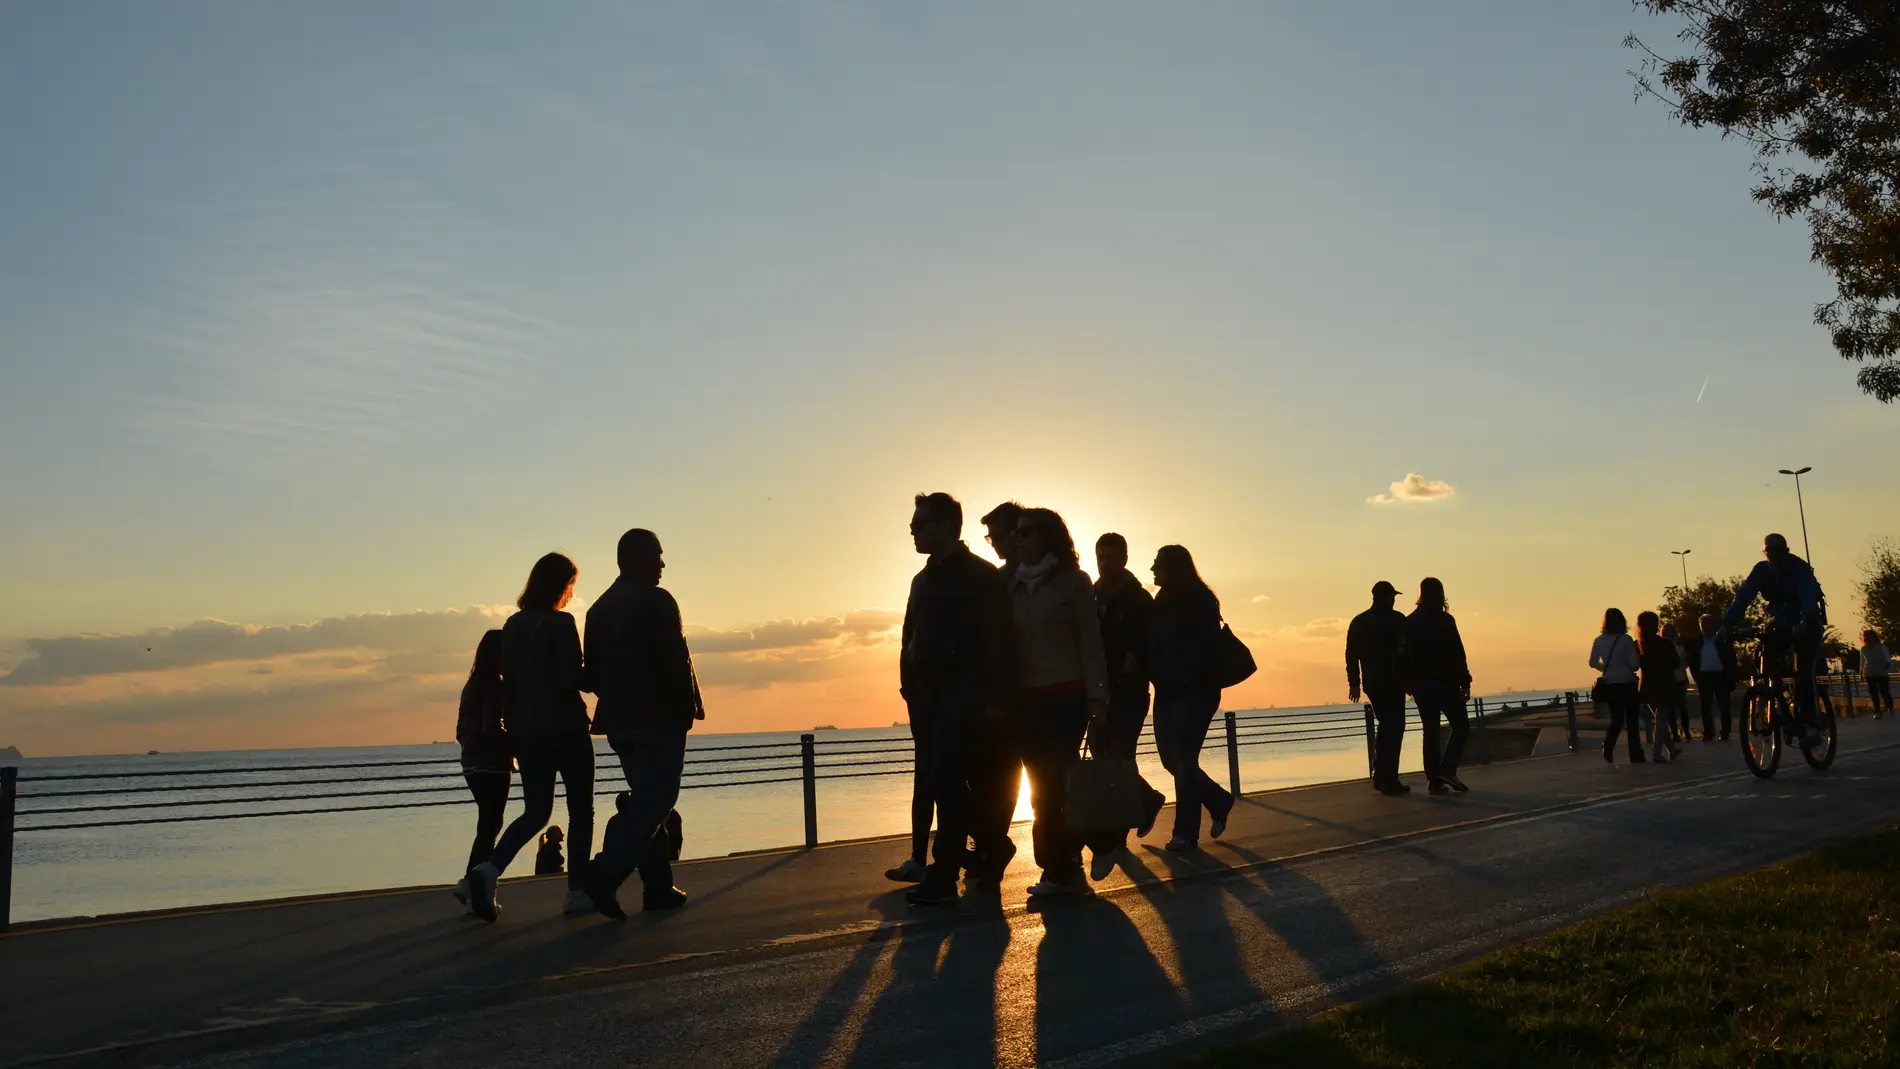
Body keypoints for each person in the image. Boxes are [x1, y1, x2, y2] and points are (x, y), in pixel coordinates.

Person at [577, 528, 703, 921]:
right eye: (656, 556)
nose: (663, 564)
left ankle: (658, 886)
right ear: (633, 558)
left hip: (619, 721)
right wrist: (687, 710)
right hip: (659, 717)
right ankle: (606, 872)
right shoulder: (658, 601)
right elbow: (676, 663)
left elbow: (592, 677)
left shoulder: (597, 609)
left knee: (648, 798)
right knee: (658, 799)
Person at [900, 493, 1016, 906]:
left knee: (946, 778)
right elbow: (908, 637)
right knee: (940, 781)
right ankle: (963, 863)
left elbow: (997, 641)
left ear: (948, 525)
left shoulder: (981, 577)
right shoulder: (922, 580)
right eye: (913, 524)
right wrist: (907, 687)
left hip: (965, 693)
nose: (913, 531)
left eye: (921, 523)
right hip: (927, 697)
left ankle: (951, 868)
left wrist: (996, 698)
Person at [467, 553, 596, 923]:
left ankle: (489, 869)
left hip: (528, 732)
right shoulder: (562, 623)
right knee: (580, 811)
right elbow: (574, 676)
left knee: (536, 811)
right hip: (566, 727)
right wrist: (603, 676)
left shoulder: (512, 626)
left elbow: (510, 688)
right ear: (562, 585)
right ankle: (575, 891)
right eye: (571, 584)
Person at [1004, 508, 1110, 897]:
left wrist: (1097, 697)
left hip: (1066, 695)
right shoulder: (1011, 585)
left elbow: (1090, 642)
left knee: (1056, 782)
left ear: (1049, 537)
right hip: (1026, 699)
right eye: (1016, 533)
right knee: (1041, 784)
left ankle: (1058, 870)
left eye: (1027, 532)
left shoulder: (1074, 582)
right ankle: (1072, 860)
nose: (1019, 539)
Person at [1087, 532, 1167, 870]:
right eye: (1101, 556)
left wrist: (1135, 657)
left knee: (1119, 757)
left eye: (1111, 556)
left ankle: (1117, 835)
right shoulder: (1092, 594)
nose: (1105, 563)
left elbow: (1151, 643)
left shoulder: (1138, 599)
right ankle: (1147, 799)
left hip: (1130, 692)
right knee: (1103, 755)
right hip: (1101, 691)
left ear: (1124, 558)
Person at [1147, 544, 1233, 850]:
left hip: (1196, 691)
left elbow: (1202, 647)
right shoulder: (1162, 599)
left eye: (1158, 564)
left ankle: (1184, 833)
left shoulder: (1198, 600)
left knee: (1183, 760)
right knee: (1172, 760)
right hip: (1168, 690)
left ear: (1173, 567)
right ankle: (1218, 799)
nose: (1153, 569)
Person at [968, 500, 1028, 879]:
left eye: (996, 535)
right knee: (986, 776)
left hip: (1027, 692)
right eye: (987, 536)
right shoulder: (996, 577)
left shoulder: (1037, 578)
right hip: (993, 692)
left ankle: (995, 847)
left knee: (1010, 775)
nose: (992, 543)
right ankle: (991, 844)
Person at [1722, 533, 1827, 745]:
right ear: (1765, 553)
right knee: (1764, 655)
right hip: (1781, 623)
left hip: (1807, 624)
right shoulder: (1761, 570)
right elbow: (1744, 595)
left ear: (1786, 551)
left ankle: (1813, 725)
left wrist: (1806, 619)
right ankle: (1772, 694)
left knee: (1804, 674)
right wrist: (1727, 624)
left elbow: (1807, 593)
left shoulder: (1799, 568)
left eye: (1778, 551)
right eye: (1770, 552)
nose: (1774, 556)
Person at [451, 630, 511, 914]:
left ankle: (471, 887)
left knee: (486, 826)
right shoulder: (496, 686)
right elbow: (492, 728)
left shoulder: (470, 687)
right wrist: (516, 744)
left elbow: (460, 730)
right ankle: (476, 886)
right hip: (492, 765)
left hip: (471, 764)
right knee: (491, 827)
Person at [1401, 578, 1473, 794]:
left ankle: (1434, 781)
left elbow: (1403, 655)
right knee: (1461, 726)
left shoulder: (1409, 622)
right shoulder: (1446, 621)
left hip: (1422, 685)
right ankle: (1448, 769)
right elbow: (1457, 653)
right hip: (1446, 682)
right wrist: (1465, 681)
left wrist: (1408, 682)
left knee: (1430, 731)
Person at [1346, 581, 1409, 796]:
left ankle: (1381, 773)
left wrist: (1354, 683)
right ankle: (1388, 777)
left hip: (1372, 683)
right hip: (1393, 681)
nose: (1393, 600)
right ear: (1386, 597)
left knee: (1386, 725)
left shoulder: (1359, 622)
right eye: (1392, 596)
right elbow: (1406, 652)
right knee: (1395, 727)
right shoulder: (1398, 620)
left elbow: (1351, 654)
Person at [1591, 608, 1645, 764]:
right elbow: (1635, 664)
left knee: (1617, 719)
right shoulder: (1625, 640)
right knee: (1632, 720)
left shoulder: (1599, 640)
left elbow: (1592, 662)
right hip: (1627, 683)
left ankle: (1608, 746)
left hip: (1610, 684)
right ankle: (1636, 754)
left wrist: (1607, 669)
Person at [1638, 612, 1685, 763]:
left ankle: (1671, 749)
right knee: (1662, 719)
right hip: (1665, 685)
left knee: (1660, 720)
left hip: (1647, 686)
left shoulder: (1639, 645)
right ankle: (1656, 752)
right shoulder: (1664, 644)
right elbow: (1676, 663)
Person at [1690, 614, 1738, 740]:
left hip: (1720, 676)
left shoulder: (1722, 642)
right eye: (1703, 624)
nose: (1706, 627)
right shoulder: (1696, 643)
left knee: (1724, 705)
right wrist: (1697, 676)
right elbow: (1692, 661)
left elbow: (1731, 659)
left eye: (1709, 623)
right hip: (1704, 676)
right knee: (1705, 706)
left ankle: (1725, 731)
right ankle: (1708, 731)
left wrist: (1732, 676)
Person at [1864, 629, 1894, 717]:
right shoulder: (1864, 649)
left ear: (1874, 637)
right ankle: (1877, 712)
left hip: (1881, 673)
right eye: (1867, 636)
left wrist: (1886, 666)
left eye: (1870, 636)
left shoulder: (1881, 646)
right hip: (1869, 674)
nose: (1868, 638)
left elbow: (1888, 658)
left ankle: (1890, 708)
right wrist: (1862, 673)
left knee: (1884, 692)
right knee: (1873, 694)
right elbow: (1862, 662)